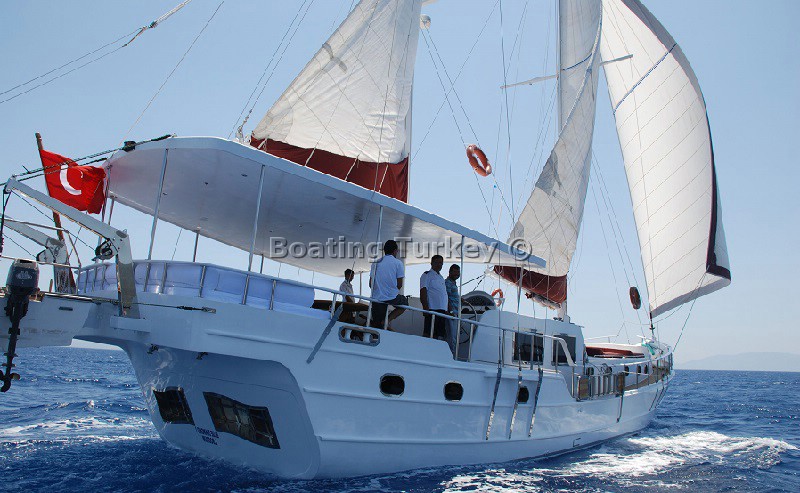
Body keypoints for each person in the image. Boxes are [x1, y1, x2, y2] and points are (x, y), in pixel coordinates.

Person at [369, 240, 406, 329]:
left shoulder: (375, 263)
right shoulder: (398, 263)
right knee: (404, 303)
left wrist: (380, 291)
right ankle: (387, 320)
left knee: (377, 326)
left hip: (377, 297)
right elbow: (400, 284)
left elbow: (371, 284)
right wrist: (391, 292)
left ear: (384, 250)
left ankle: (380, 326)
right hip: (392, 297)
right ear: (395, 251)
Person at [420, 255, 449, 341]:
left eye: (441, 263)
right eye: (437, 262)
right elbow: (423, 291)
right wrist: (425, 307)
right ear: (431, 263)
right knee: (429, 334)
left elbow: (444, 295)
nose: (439, 265)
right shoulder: (427, 275)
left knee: (439, 335)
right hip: (432, 309)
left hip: (442, 311)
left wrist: (447, 310)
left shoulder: (441, 278)